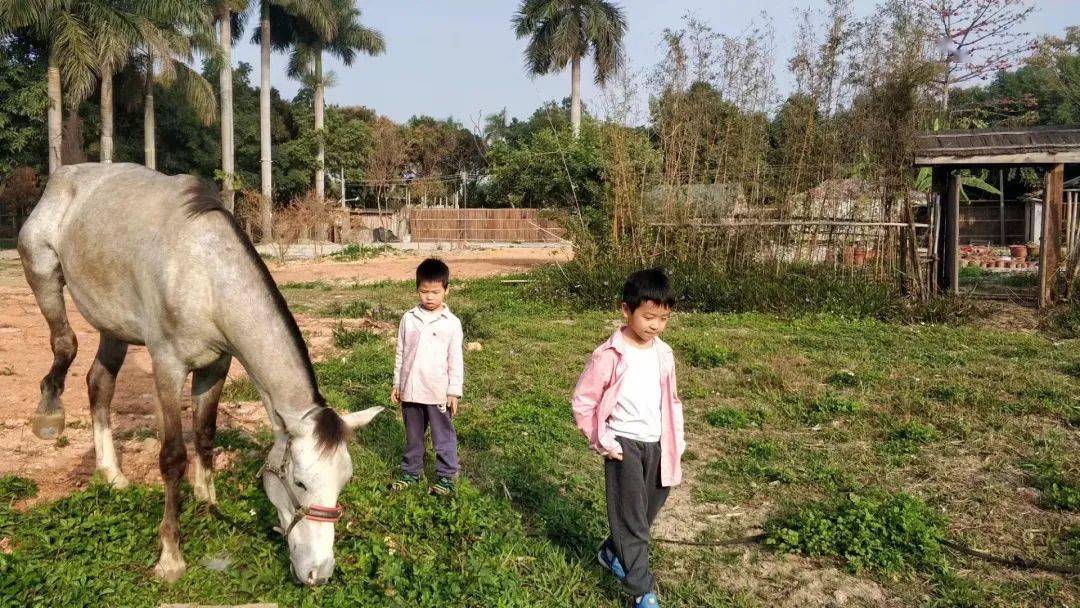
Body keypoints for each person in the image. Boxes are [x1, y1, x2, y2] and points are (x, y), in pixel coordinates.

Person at [571, 268, 686, 608]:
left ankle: (611, 551)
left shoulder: (663, 354)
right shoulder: (609, 354)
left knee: (649, 508)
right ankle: (641, 590)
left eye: (663, 319)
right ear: (626, 310)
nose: (655, 325)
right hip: (623, 444)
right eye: (649, 317)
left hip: (658, 443)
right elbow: (584, 400)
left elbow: (672, 399)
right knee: (632, 520)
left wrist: (676, 439)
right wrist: (602, 439)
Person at [390, 258, 464, 496]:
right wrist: (397, 383)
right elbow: (401, 353)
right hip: (411, 390)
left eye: (435, 292)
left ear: (446, 290)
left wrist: (453, 391)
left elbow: (455, 359)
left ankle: (447, 475)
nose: (429, 297)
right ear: (417, 289)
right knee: (413, 436)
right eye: (424, 292)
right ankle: (411, 471)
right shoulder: (408, 318)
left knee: (443, 437)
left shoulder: (451, 323)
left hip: (438, 392)